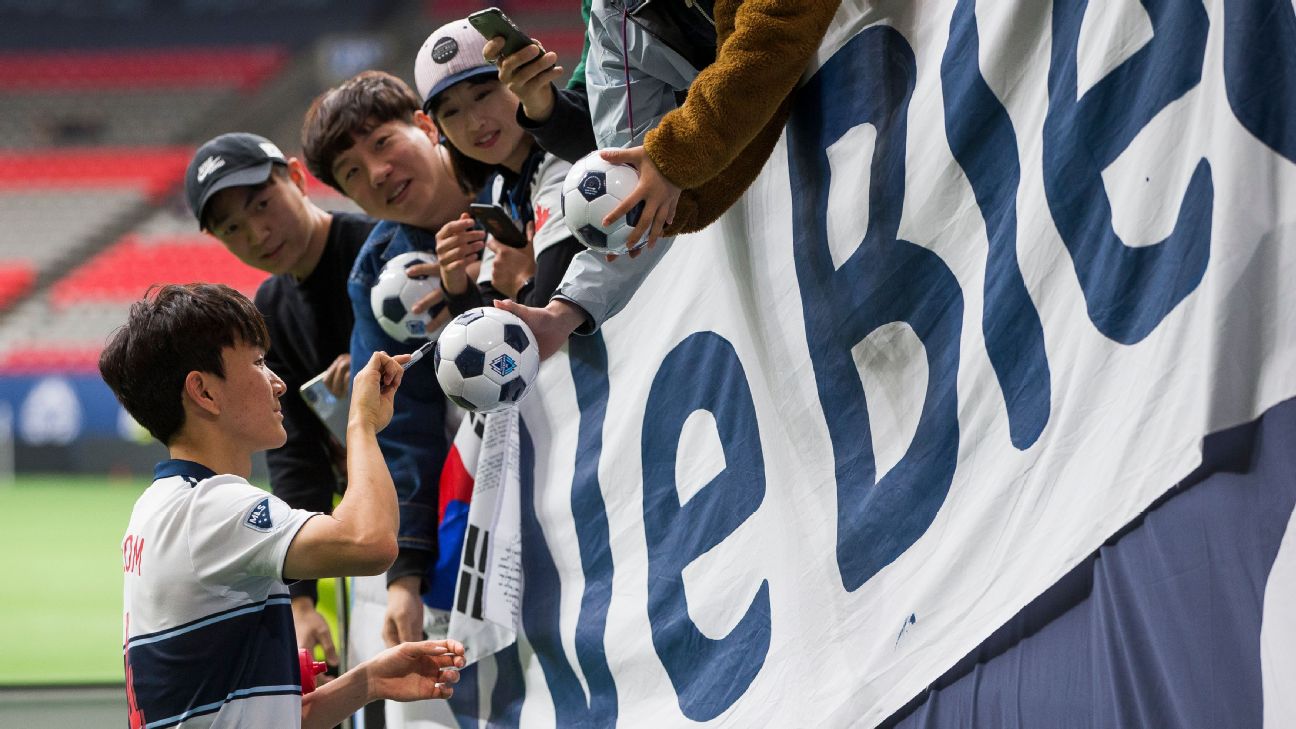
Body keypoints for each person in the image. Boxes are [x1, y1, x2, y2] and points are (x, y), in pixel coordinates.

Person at [104, 283, 464, 729]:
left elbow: (250, 715)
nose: (279, 382)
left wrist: (368, 681)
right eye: (257, 362)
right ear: (204, 392)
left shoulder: (157, 507)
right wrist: (362, 423)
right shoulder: (211, 507)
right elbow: (370, 542)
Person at [484, 0, 842, 358]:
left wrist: (675, 155)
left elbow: (773, 35)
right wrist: (566, 310)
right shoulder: (614, 16)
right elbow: (631, 193)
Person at [184, 131, 377, 676]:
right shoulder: (269, 307)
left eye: (262, 205)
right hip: (372, 525)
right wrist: (301, 600)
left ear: (295, 176)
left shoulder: (378, 246)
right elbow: (297, 459)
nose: (258, 233)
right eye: (232, 229)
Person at [301, 70, 474, 654]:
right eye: (352, 172)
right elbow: (399, 430)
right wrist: (405, 578)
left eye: (382, 143)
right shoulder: (374, 280)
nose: (376, 172)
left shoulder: (514, 170)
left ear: (426, 125)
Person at [414, 18, 585, 315]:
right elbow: (486, 328)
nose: (474, 123)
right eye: (451, 112)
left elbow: (551, 323)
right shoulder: (501, 187)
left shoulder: (564, 164)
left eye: (483, 95)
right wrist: (455, 285)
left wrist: (521, 280)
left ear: (518, 80)